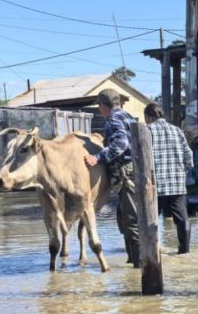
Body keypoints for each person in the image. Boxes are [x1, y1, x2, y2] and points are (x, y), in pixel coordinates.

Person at [83, 89, 140, 267]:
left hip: (125, 172)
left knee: (131, 220)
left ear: (103, 105)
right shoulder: (128, 116)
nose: (99, 109)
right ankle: (133, 261)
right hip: (133, 171)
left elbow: (121, 143)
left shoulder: (114, 119)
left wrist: (98, 157)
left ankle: (140, 265)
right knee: (124, 218)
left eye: (99, 106)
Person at [144, 103, 193, 254]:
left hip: (155, 185)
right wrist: (180, 172)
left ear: (148, 117)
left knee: (150, 220)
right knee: (182, 218)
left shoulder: (147, 130)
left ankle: (151, 252)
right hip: (177, 184)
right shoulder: (177, 130)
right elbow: (189, 157)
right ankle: (184, 251)